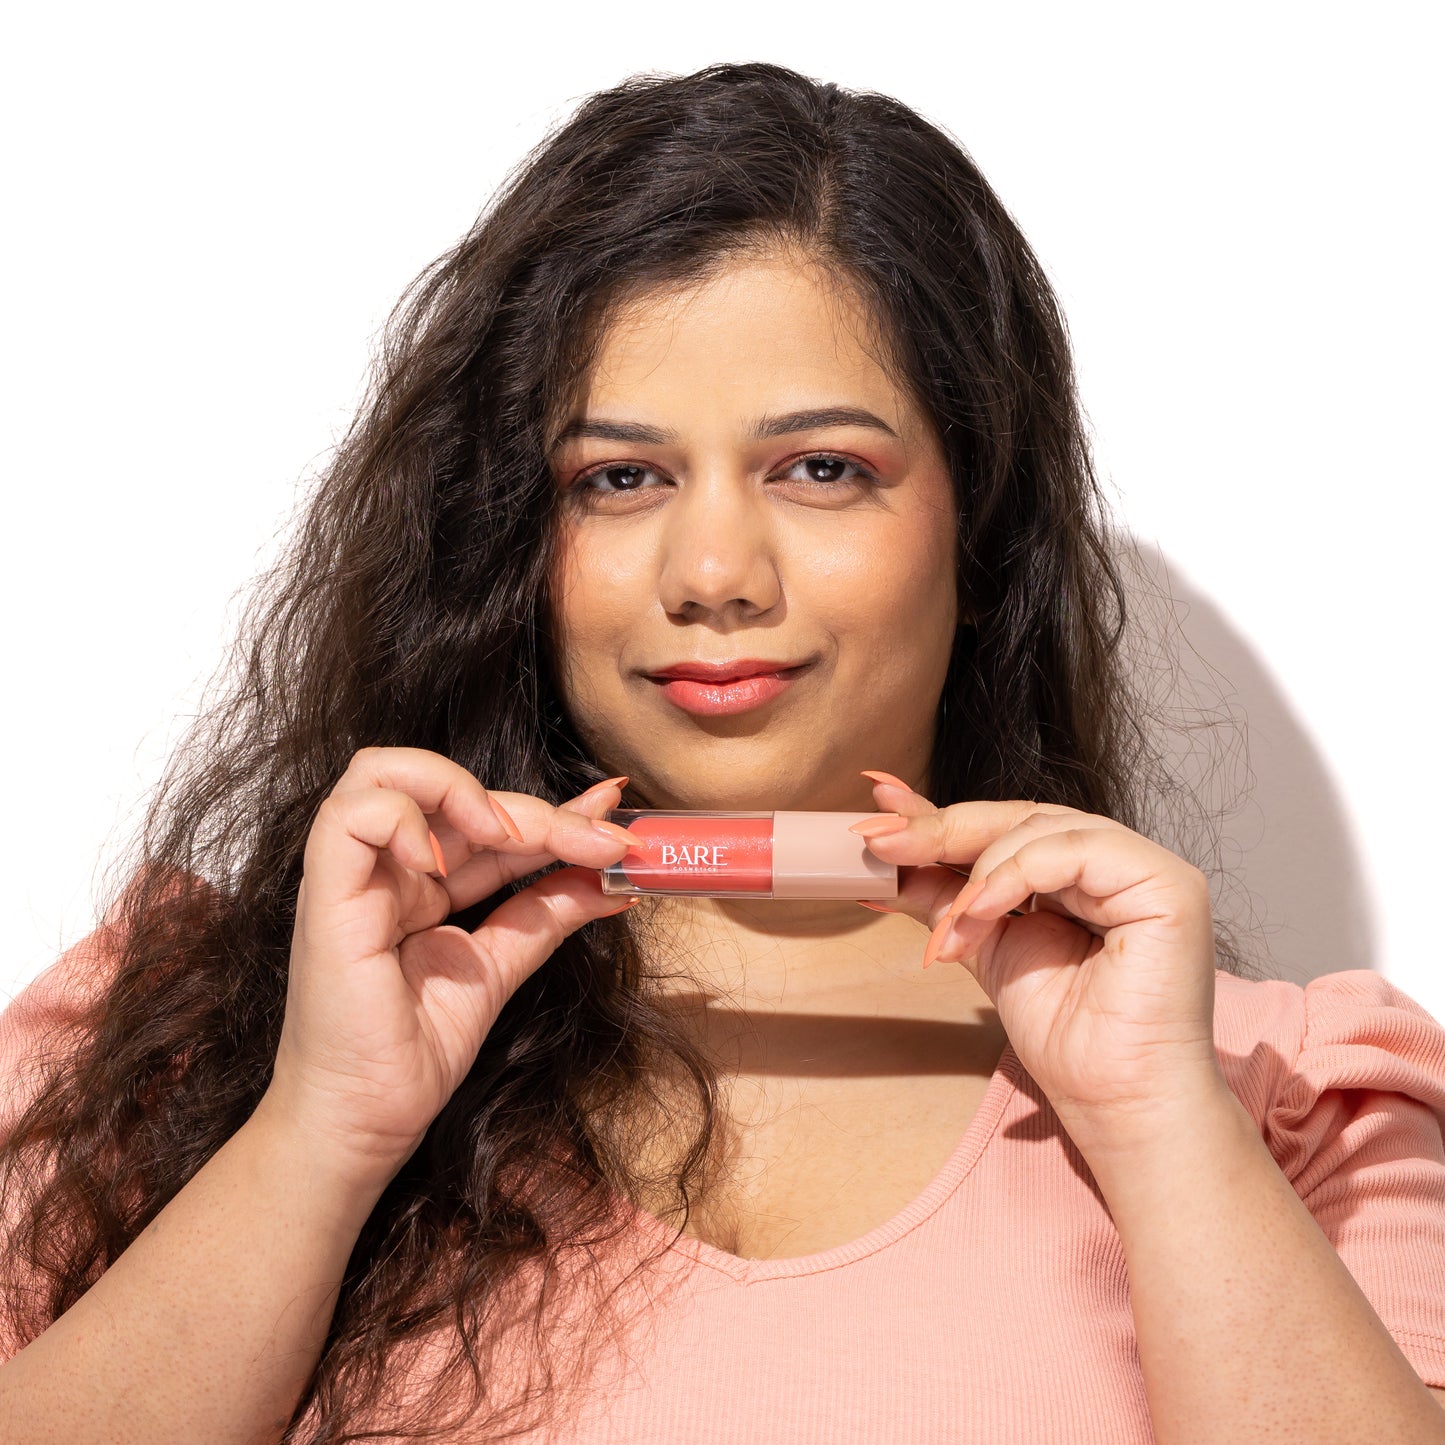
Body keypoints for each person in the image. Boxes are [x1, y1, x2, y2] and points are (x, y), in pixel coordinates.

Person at [1, 60, 1443, 1445]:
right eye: (620, 477)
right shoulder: (174, 1048)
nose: (712, 573)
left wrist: (1163, 1131)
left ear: (981, 532)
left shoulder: (1287, 1096)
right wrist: (319, 1128)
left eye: (821, 468)